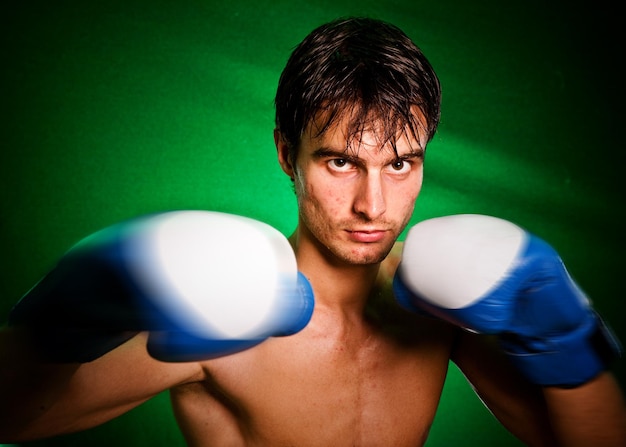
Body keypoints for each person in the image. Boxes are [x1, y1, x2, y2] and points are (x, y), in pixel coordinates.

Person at [1, 16, 626, 446]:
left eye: (400, 164)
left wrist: (571, 344)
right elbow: (17, 418)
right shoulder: (228, 310)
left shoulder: (436, 304)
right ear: (286, 153)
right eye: (341, 161)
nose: (373, 204)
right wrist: (61, 319)